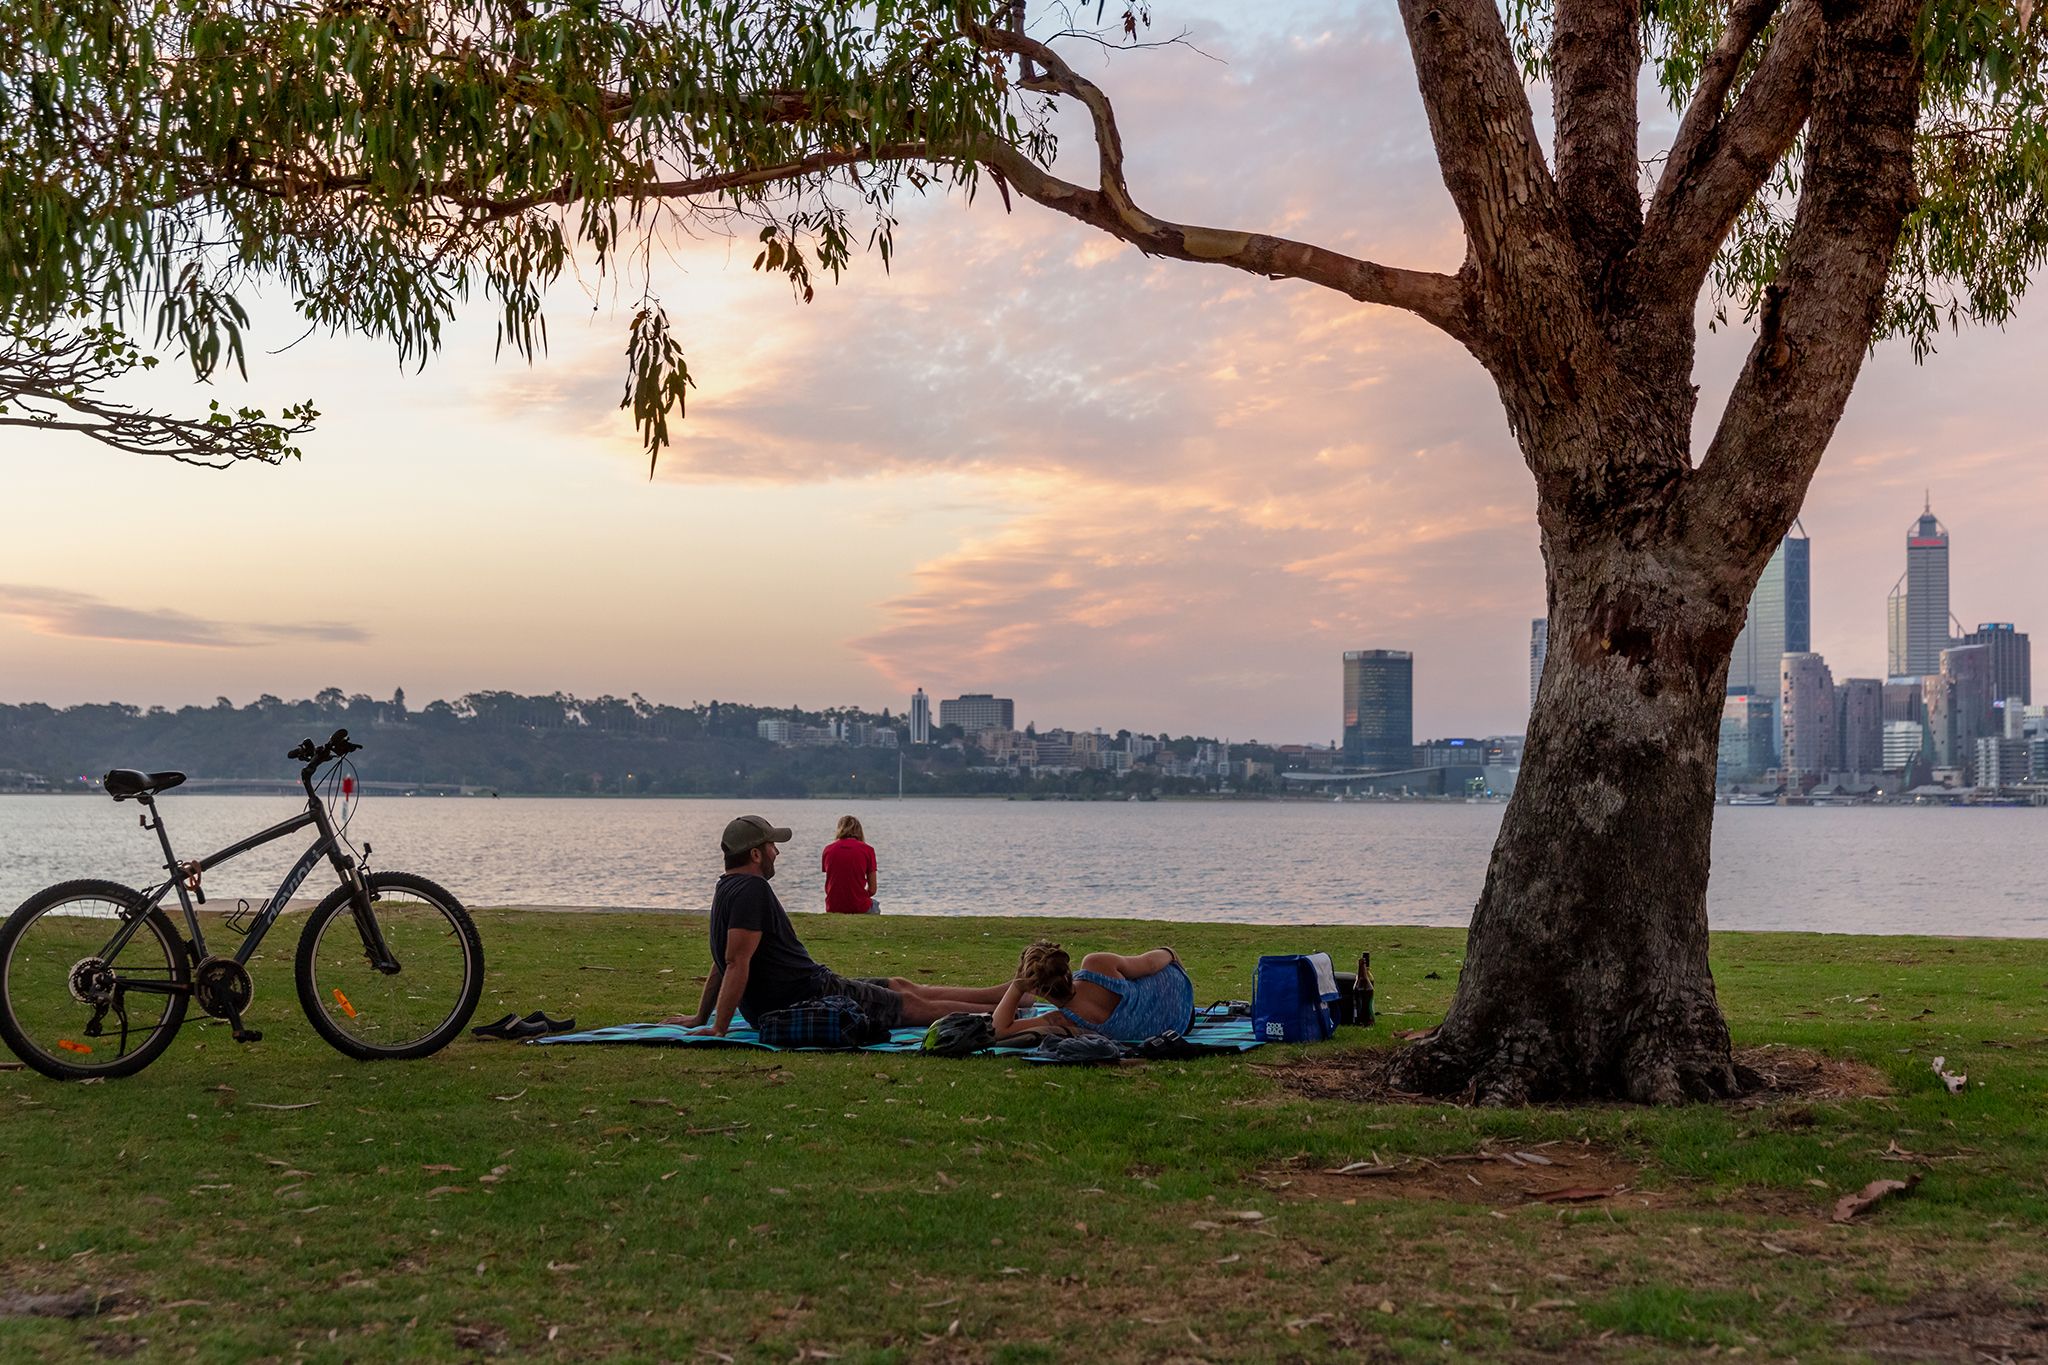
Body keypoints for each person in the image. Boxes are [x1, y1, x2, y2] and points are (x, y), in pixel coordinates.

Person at [662, 815, 1010, 1035]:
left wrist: (700, 1016)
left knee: (900, 985)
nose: (776, 853)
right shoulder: (752, 889)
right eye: (772, 847)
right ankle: (1004, 1015)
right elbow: (735, 962)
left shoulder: (726, 887)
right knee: (909, 1008)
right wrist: (718, 1028)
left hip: (813, 985)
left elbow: (722, 959)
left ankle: (1003, 994)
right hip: (808, 997)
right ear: (754, 854)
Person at [992, 940, 1194, 1041]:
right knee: (1134, 974)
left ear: (1036, 988)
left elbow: (999, 1029)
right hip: (1180, 998)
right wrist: (1170, 952)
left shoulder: (1064, 1021)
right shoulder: (1096, 965)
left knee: (1131, 978)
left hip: (1178, 1027)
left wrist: (1017, 987)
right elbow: (1149, 964)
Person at [821, 814, 880, 914]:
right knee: (875, 905)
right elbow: (872, 890)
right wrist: (857, 896)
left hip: (833, 906)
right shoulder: (868, 850)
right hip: (859, 907)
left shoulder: (828, 850)